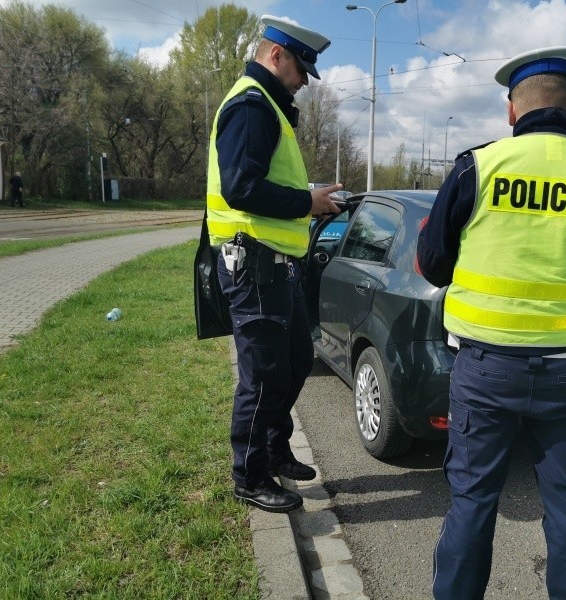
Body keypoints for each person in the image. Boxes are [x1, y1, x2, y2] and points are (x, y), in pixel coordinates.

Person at [416, 46, 566, 599]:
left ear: (511, 112)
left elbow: (432, 263)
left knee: (473, 503)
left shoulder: (478, 167)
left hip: (483, 370)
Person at [206, 15, 341, 513]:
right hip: (254, 263)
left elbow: (260, 181)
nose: (304, 81)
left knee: (296, 363)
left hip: (275, 263)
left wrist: (309, 196)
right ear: (275, 55)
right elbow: (242, 187)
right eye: (301, 69)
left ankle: (274, 447)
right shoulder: (250, 105)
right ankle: (250, 476)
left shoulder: (268, 106)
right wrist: (307, 204)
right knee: (263, 376)